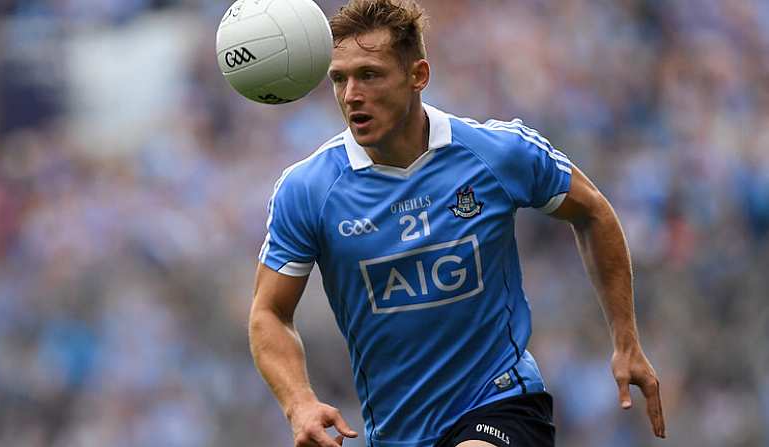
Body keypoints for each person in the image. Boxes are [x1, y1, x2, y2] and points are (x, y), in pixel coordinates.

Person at [248, 0, 666, 446]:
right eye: (339, 78)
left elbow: (592, 210)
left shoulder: (497, 153)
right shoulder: (309, 189)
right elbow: (269, 312)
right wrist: (300, 403)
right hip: (396, 433)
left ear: (418, 76)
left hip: (501, 401)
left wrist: (626, 341)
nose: (351, 94)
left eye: (369, 75)